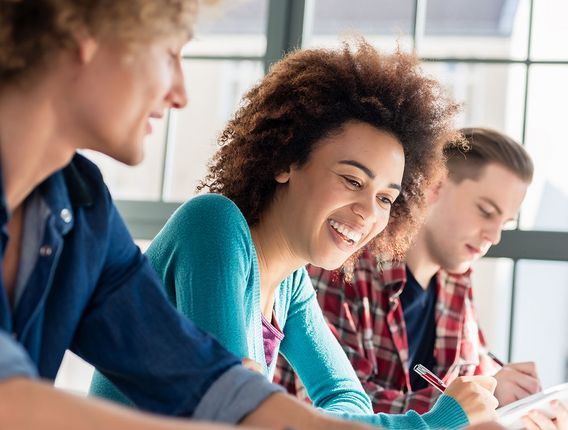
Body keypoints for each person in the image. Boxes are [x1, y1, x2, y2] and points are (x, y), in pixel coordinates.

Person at [89, 40, 507, 429]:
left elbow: (346, 396)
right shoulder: (214, 226)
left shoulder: (291, 283)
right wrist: (434, 423)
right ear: (286, 161)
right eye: (350, 179)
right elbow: (237, 416)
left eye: (385, 198)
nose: (367, 211)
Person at [0, 2, 379, 429]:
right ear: (83, 33)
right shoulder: (205, 224)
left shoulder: (86, 211)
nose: (180, 93)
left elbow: (203, 379)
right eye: (169, 53)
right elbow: (10, 404)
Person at [275, 127, 568, 430]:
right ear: (434, 187)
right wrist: (476, 404)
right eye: (485, 210)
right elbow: (338, 413)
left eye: (505, 223)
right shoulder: (341, 263)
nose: (494, 236)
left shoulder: (457, 282)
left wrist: (520, 409)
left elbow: (476, 382)